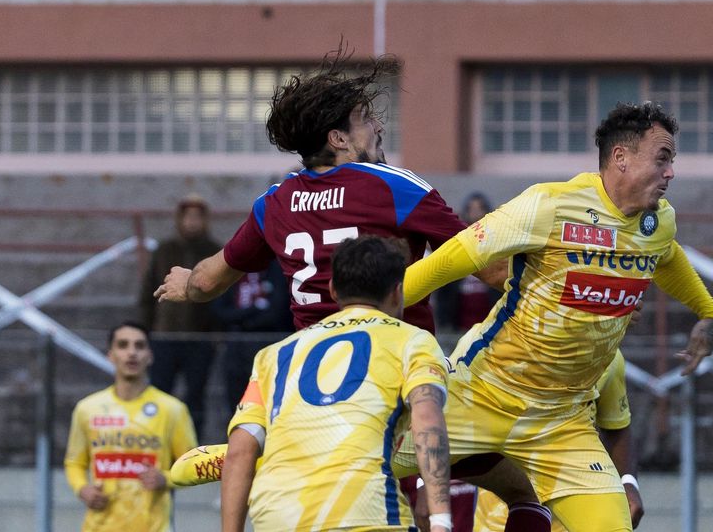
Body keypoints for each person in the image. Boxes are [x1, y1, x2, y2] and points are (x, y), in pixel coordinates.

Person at [154, 52, 547, 531]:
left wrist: (184, 285)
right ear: (338, 138)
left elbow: (207, 281)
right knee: (510, 480)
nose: (378, 126)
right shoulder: (395, 187)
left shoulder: (274, 202)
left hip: (302, 380)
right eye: (366, 119)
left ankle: (260, 448)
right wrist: (561, 292)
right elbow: (488, 268)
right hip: (395, 369)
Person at [394, 101, 713, 531]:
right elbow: (450, 260)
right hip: (480, 393)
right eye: (663, 158)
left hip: (562, 422)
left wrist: (709, 313)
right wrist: (363, 318)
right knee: (355, 459)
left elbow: (666, 255)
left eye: (672, 161)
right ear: (620, 159)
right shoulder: (548, 205)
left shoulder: (658, 223)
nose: (671, 172)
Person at [219, 235, 454, 532]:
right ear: (397, 293)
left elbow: (240, 450)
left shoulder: (274, 355)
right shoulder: (413, 341)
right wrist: (441, 519)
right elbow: (427, 417)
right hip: (363, 510)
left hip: (278, 514)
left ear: (332, 290)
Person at [472, 349, 645, 531]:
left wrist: (628, 481)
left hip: (573, 519)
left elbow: (617, 426)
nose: (635, 318)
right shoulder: (496, 345)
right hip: (499, 521)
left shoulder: (608, 356)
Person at [64, 322, 198, 532]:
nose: (132, 353)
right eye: (123, 345)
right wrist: (83, 490)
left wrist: (166, 478)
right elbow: (74, 462)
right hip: (98, 526)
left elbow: (193, 465)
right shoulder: (87, 409)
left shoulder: (172, 409)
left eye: (139, 346)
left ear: (150, 356)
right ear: (111, 355)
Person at [137, 193, 220, 438]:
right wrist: (146, 333)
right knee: (159, 394)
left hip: (200, 339)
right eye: (188, 216)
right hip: (164, 337)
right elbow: (147, 293)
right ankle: (157, 443)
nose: (192, 222)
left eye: (197, 216)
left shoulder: (214, 251)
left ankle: (192, 448)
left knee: (196, 397)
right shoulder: (164, 250)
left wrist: (215, 334)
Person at [210, 258, 293, 418]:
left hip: (270, 343)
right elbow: (220, 312)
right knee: (236, 402)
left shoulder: (277, 267)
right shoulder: (230, 267)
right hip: (236, 346)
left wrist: (242, 319)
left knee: (271, 400)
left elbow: (277, 310)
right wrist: (255, 309)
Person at [435, 192, 500, 332]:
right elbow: (444, 292)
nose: (475, 212)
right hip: (459, 327)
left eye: (479, 208)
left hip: (491, 327)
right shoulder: (456, 244)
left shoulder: (497, 247)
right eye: (471, 208)